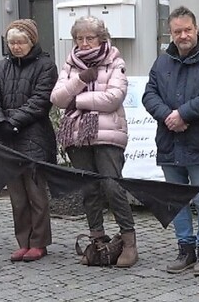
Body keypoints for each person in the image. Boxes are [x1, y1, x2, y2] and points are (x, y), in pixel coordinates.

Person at [142, 7, 199, 276]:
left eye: (188, 30)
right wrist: (168, 116)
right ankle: (185, 250)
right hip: (169, 141)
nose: (183, 36)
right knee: (176, 199)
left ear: (196, 29)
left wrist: (183, 114)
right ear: (171, 33)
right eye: (177, 31)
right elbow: (149, 95)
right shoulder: (161, 63)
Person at [50, 16, 137, 267]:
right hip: (78, 135)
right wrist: (80, 80)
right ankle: (97, 240)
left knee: (112, 186)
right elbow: (57, 98)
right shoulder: (71, 63)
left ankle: (129, 243)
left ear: (101, 38)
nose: (85, 43)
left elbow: (113, 98)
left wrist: (76, 101)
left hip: (108, 134)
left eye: (90, 38)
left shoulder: (114, 61)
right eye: (80, 38)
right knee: (89, 189)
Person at [0, 19, 58, 262]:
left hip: (34, 138)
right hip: (6, 139)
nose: (16, 47)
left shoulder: (46, 66)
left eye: (21, 42)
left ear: (31, 42)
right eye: (12, 42)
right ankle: (23, 241)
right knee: (17, 196)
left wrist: (14, 122)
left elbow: (40, 101)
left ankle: (39, 242)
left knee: (36, 194)